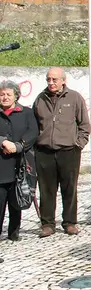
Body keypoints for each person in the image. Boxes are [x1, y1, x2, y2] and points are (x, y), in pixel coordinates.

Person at [33, 67, 91, 237]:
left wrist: (78, 144)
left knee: (69, 188)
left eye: (54, 80)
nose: (51, 83)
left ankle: (70, 222)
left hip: (69, 151)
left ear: (63, 80)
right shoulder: (40, 98)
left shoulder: (74, 98)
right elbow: (34, 124)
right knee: (46, 189)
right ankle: (47, 224)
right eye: (48, 79)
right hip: (44, 151)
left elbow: (84, 125)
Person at [0, 80, 38, 242]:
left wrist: (19, 146)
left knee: (17, 197)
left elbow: (33, 131)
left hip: (20, 163)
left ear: (16, 96)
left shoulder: (26, 112)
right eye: (2, 94)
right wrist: (2, 142)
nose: (5, 97)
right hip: (1, 165)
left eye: (8, 94)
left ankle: (14, 231)